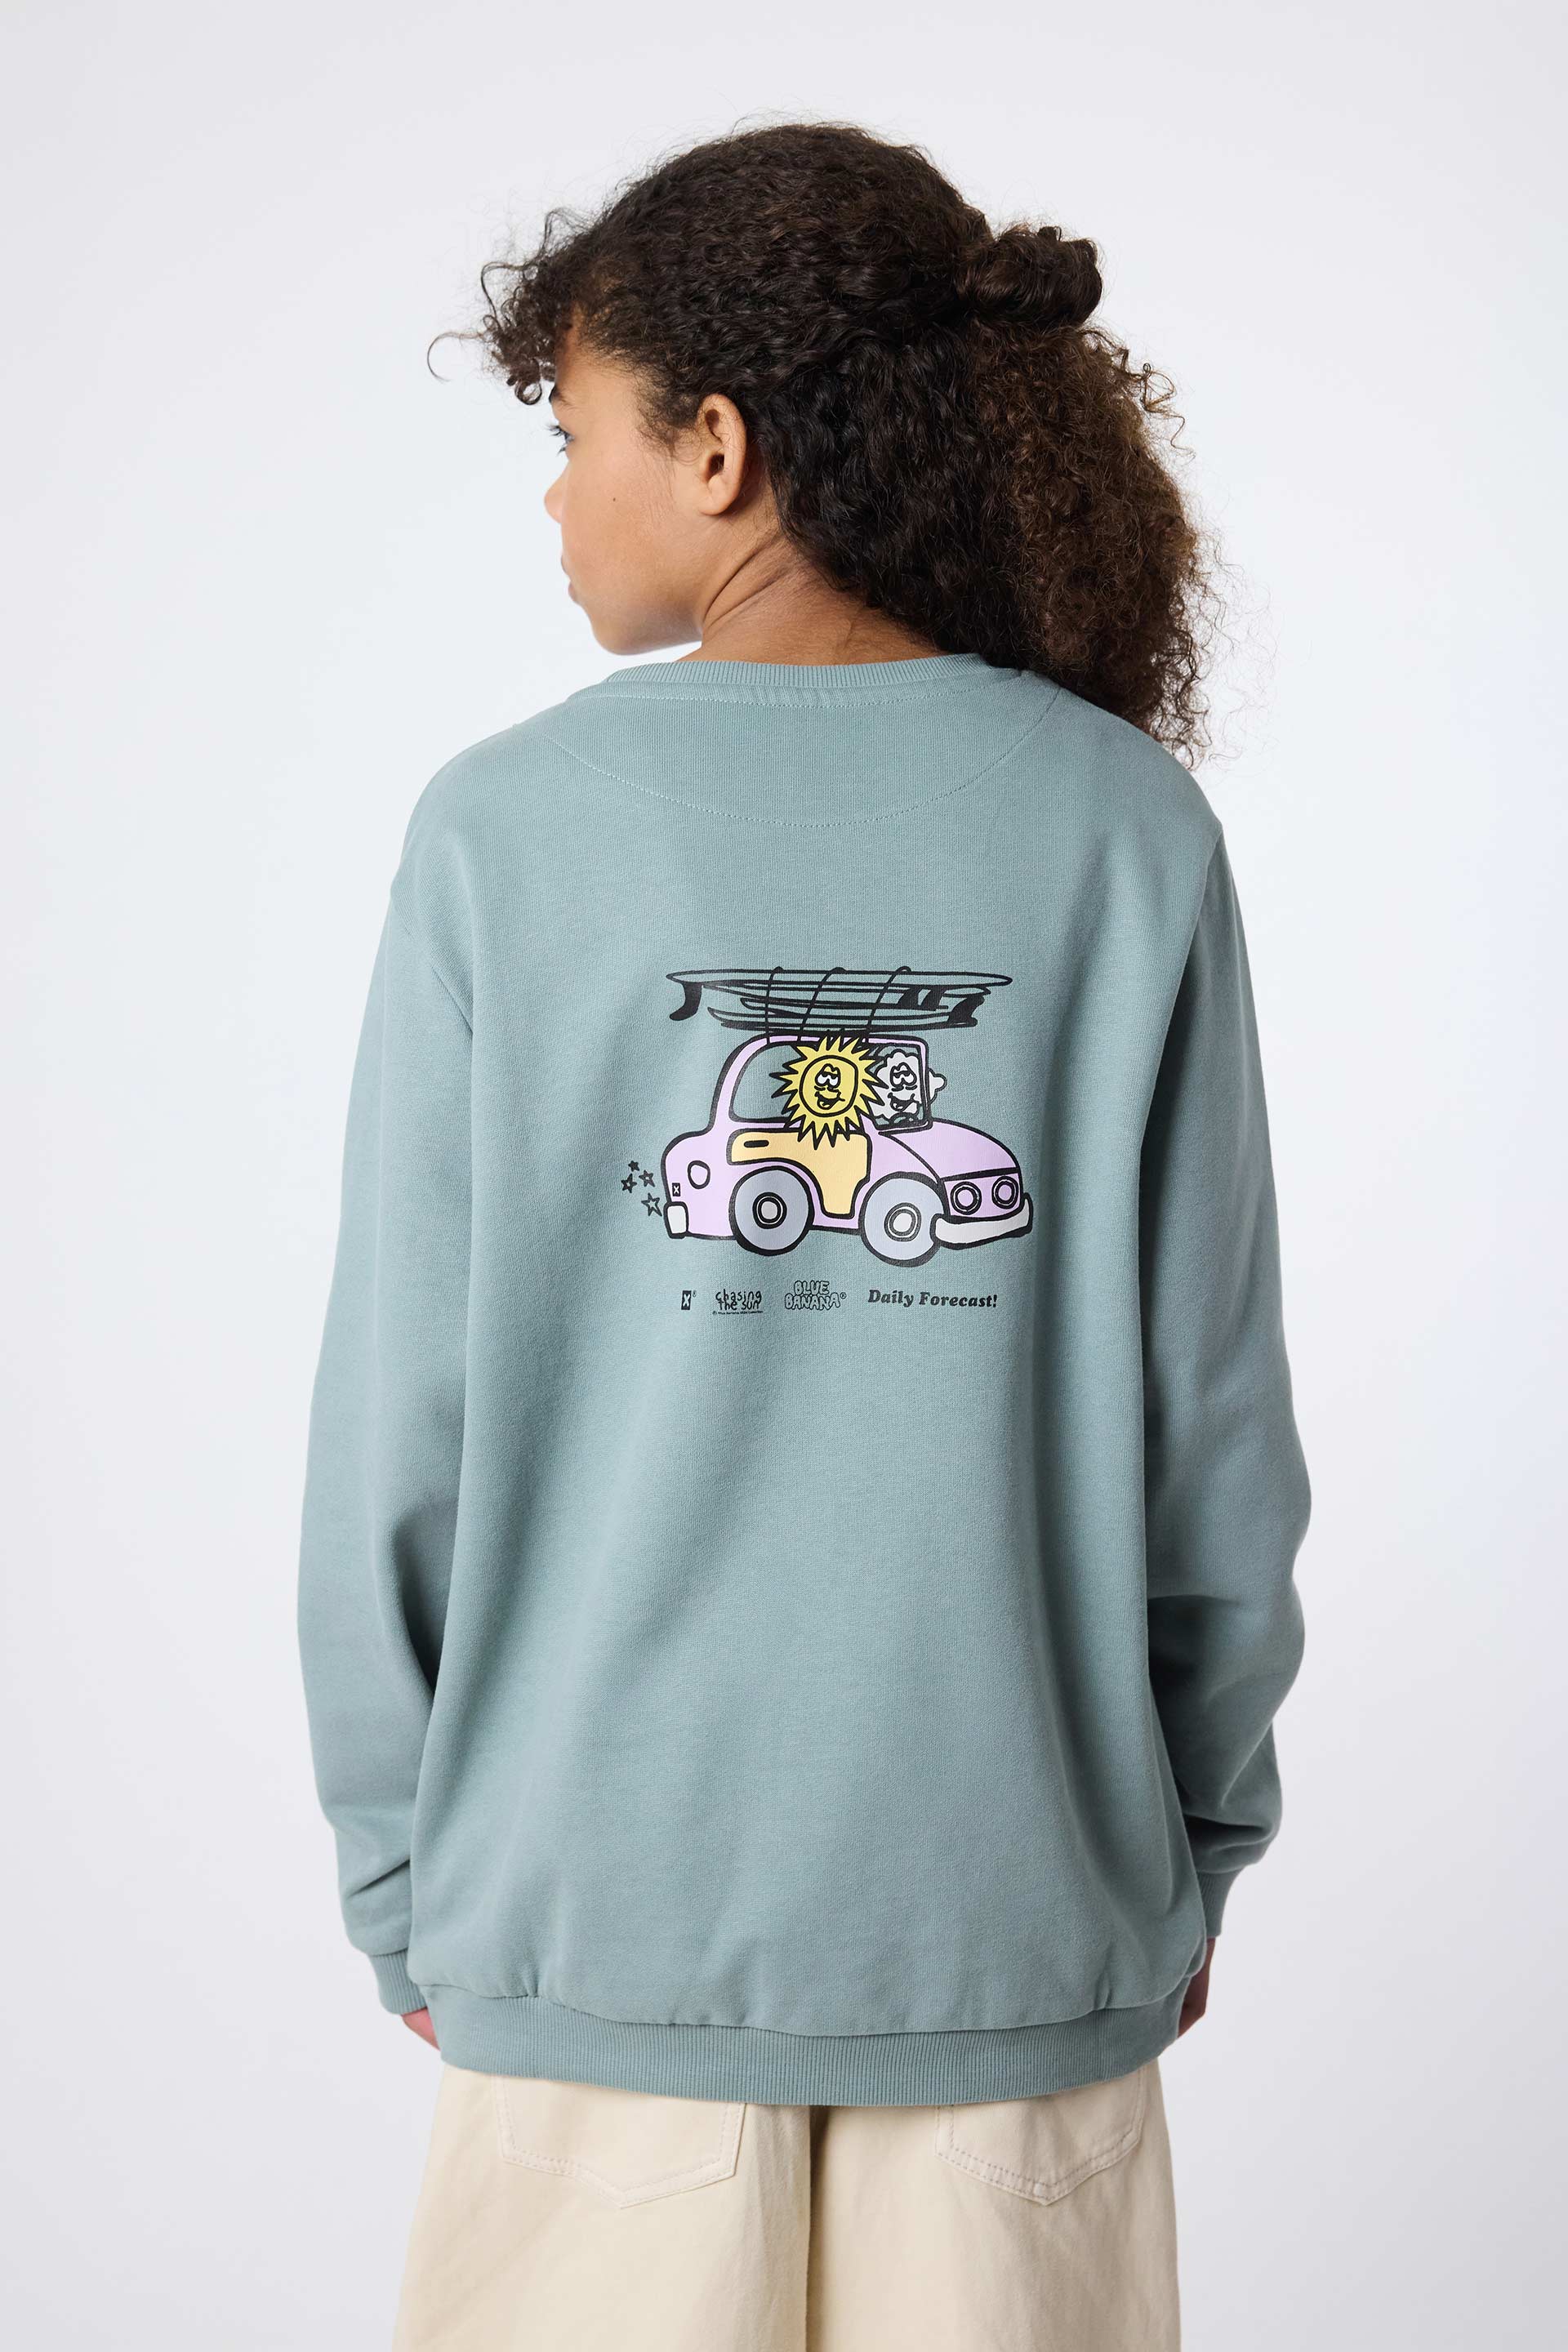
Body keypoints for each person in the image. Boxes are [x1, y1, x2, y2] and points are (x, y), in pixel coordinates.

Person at [297, 121, 1310, 2352]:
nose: (557, 502)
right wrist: (1179, 1847)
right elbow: (1215, 1439)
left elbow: (401, 1423)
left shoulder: (506, 835)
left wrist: (406, 1872)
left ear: (717, 448)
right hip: (1018, 1926)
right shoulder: (1123, 829)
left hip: (592, 1933)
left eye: (573, 437)